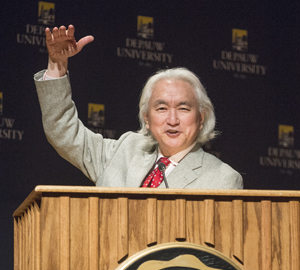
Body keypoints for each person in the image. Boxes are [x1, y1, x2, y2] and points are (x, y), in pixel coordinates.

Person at [34, 25, 243, 189]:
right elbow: (63, 132)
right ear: (146, 119)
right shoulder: (125, 149)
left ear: (202, 118)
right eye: (161, 109)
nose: (172, 120)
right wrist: (57, 65)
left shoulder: (222, 180)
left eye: (183, 108)